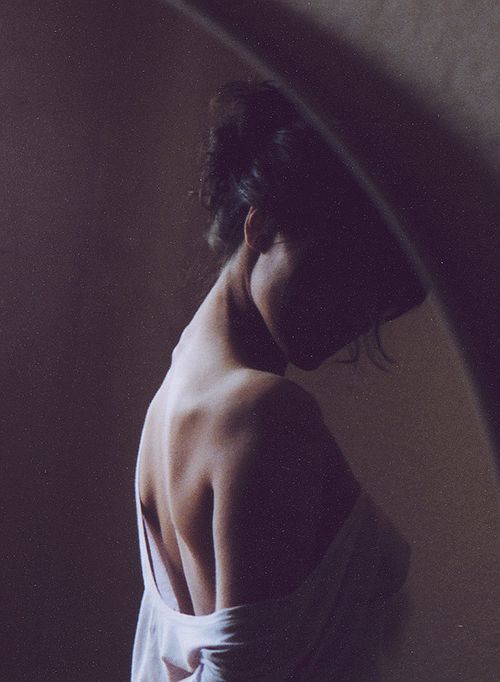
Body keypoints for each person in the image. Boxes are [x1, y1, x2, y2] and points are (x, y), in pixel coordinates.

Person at [131, 79, 427, 681]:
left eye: (374, 298)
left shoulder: (174, 394)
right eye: (340, 271)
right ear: (261, 226)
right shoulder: (264, 412)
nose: (355, 314)